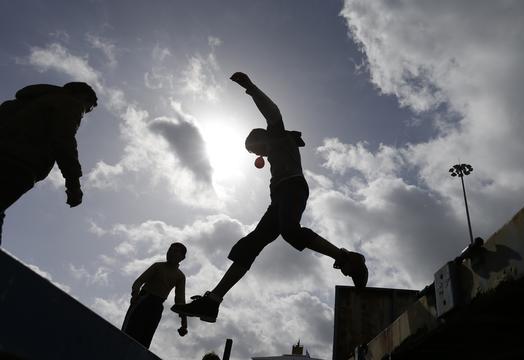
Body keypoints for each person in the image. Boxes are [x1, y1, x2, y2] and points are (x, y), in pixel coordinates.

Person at [171, 72, 368, 323]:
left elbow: (272, 111)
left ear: (261, 137)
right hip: (279, 198)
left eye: (255, 148)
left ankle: (348, 258)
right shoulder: (273, 149)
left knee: (290, 231)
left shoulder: (277, 135)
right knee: (250, 246)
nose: (258, 155)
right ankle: (213, 301)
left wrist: (251, 88)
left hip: (293, 188)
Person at [0, 82, 98, 244]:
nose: (86, 111)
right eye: (89, 107)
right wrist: (73, 184)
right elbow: (64, 141)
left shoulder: (24, 102)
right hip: (18, 165)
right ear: (83, 96)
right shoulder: (69, 103)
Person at [122, 242, 189, 348]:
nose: (171, 253)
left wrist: (184, 323)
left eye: (175, 251)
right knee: (128, 334)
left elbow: (180, 300)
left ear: (182, 257)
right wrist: (135, 293)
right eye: (170, 250)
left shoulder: (180, 276)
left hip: (157, 307)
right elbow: (139, 281)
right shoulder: (158, 266)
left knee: (144, 341)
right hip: (142, 301)